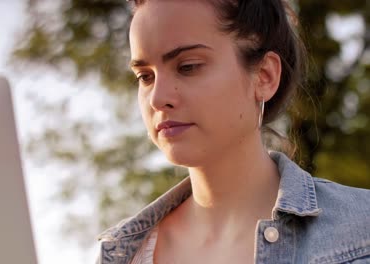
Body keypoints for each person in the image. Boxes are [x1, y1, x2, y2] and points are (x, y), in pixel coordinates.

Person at [96, 0, 370, 263]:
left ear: (264, 76)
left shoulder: (362, 231)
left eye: (187, 67)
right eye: (145, 76)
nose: (157, 98)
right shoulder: (122, 254)